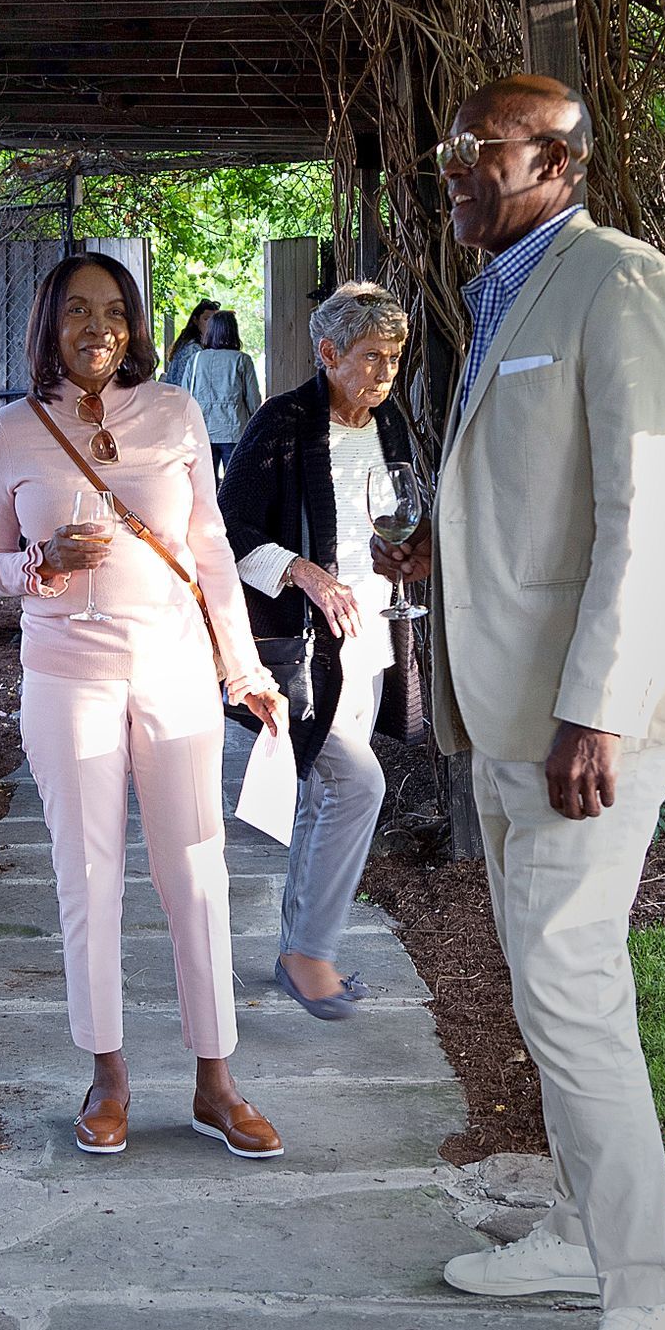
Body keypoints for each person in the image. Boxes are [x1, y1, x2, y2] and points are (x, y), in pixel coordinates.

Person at [372, 74, 665, 1330]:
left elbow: (649, 515)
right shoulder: (508, 289)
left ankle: (648, 1301)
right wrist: (433, 554)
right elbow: (533, 499)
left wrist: (599, 705)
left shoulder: (621, 284)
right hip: (517, 703)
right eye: (450, 146)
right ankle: (577, 1237)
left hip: (593, 713)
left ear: (554, 161)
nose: (453, 167)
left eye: (479, 150)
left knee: (569, 983)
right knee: (547, 980)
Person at [0, 252, 288, 1160]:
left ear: (138, 325)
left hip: (175, 668)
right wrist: (35, 566)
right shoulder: (12, 429)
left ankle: (215, 1082)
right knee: (89, 876)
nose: (97, 326)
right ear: (49, 326)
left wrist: (243, 669)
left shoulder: (178, 412)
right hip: (66, 672)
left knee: (197, 871)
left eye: (114, 310)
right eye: (77, 310)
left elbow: (211, 554)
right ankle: (107, 1076)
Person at [220, 280, 412, 1019]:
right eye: (370, 357)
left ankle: (299, 951)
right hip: (301, 652)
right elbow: (228, 533)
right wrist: (301, 570)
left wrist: (401, 558)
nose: (385, 372)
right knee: (358, 786)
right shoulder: (283, 422)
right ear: (328, 353)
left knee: (329, 796)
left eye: (394, 357)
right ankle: (309, 955)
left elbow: (390, 517)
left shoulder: (387, 422)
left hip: (369, 639)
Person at [183, 309, 261, 479]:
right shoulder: (242, 360)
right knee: (235, 485)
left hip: (202, 432)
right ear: (233, 331)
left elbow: (185, 398)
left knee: (205, 486)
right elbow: (254, 401)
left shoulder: (196, 360)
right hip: (234, 431)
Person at [162, 298, 218, 386]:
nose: (211, 324)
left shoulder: (190, 344)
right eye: (206, 319)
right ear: (195, 320)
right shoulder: (193, 349)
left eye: (214, 320)